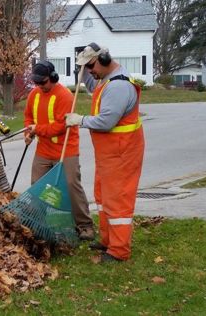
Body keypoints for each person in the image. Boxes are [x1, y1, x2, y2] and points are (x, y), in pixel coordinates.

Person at [65, 43, 145, 262]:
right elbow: (89, 82)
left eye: (91, 65)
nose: (90, 71)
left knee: (117, 199)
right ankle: (108, 240)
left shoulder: (118, 86)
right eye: (86, 67)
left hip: (122, 152)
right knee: (103, 197)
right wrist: (79, 67)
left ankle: (119, 250)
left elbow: (107, 121)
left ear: (105, 60)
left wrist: (80, 120)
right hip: (109, 153)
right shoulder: (104, 80)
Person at [24, 60, 95, 241]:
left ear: (53, 77)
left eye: (43, 82)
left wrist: (35, 129)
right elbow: (28, 117)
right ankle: (39, 224)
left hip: (66, 149)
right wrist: (28, 132)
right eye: (37, 82)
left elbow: (59, 127)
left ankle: (85, 226)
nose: (40, 86)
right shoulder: (34, 94)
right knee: (37, 187)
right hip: (43, 150)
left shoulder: (65, 96)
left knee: (72, 186)